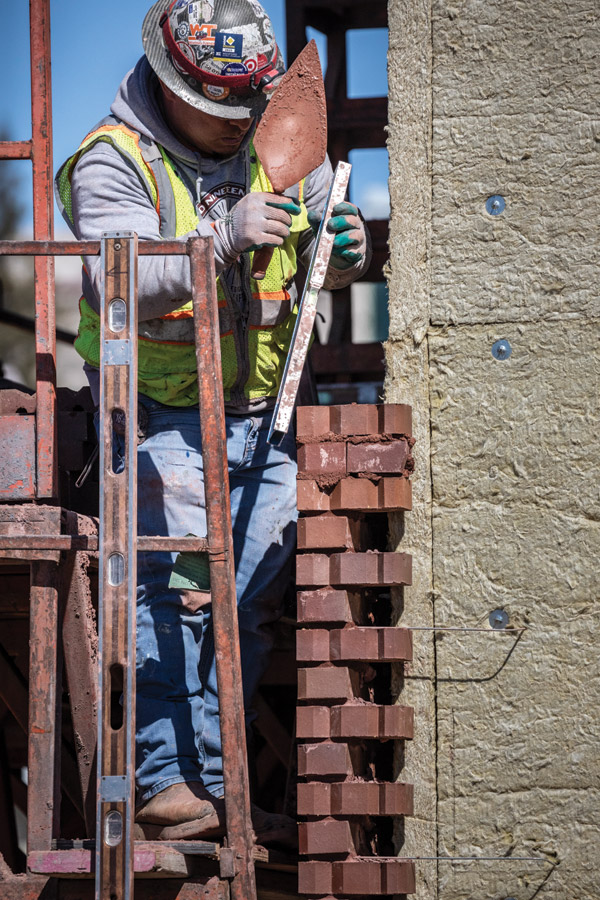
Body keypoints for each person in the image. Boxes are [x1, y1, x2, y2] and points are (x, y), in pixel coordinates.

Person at [56, 0, 371, 845]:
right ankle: (165, 782)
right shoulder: (113, 160)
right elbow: (117, 274)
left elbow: (316, 251)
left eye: (249, 110)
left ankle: (220, 784)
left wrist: (346, 252)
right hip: (160, 416)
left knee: (244, 604)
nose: (240, 129)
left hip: (261, 418)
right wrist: (218, 236)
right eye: (220, 111)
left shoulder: (279, 133)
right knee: (175, 598)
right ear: (170, 83)